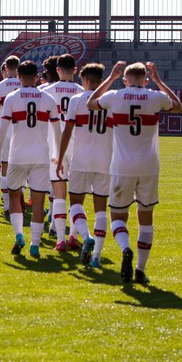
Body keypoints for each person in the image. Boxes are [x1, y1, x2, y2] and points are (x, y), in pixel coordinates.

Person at [88, 61, 182, 284]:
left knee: (118, 216)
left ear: (125, 79)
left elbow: (91, 103)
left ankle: (125, 249)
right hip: (149, 167)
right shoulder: (155, 97)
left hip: (122, 166)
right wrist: (160, 82)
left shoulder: (114, 95)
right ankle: (140, 269)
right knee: (146, 218)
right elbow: (178, 106)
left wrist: (110, 78)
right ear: (146, 79)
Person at [1, 60, 61, 258]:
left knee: (14, 195)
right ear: (37, 77)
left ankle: (19, 235)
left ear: (18, 77)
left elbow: (2, 130)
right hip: (40, 156)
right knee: (38, 201)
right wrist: (57, 154)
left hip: (17, 155)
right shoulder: (47, 98)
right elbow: (56, 128)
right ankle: (35, 244)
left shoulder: (12, 97)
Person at [56, 63, 113, 267]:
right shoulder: (110, 101)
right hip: (105, 161)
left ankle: (86, 235)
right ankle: (96, 256)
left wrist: (61, 158)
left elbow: (67, 132)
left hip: (81, 160)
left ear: (86, 80)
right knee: (100, 209)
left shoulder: (77, 100)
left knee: (76, 204)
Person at [39, 54, 84, 252]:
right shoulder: (84, 92)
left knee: (58, 196)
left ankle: (60, 240)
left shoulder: (44, 91)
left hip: (55, 147)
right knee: (75, 195)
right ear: (75, 70)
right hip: (78, 149)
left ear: (57, 70)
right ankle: (73, 235)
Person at [0, 57, 22, 215]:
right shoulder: (25, 84)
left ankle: (7, 205)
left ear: (6, 68)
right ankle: (21, 200)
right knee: (22, 166)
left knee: (5, 167)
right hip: (23, 130)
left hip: (5, 129)